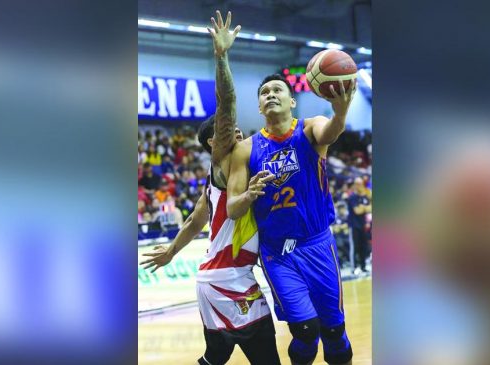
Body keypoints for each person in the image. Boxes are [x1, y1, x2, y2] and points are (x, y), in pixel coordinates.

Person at [140, 11, 280, 365]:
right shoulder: (223, 160)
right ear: (212, 144)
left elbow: (192, 224)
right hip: (228, 277)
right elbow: (228, 103)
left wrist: (171, 252)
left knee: (215, 356)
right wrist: (222, 57)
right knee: (266, 353)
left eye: (234, 128)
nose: (234, 131)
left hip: (214, 277)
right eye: (224, 130)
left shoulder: (215, 185)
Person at [227, 72, 357, 365]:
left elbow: (332, 132)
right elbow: (232, 208)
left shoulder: (310, 129)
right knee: (306, 330)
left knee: (334, 331)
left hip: (318, 244)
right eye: (264, 93)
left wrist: (341, 110)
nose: (270, 94)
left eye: (277, 90)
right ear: (260, 107)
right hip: (278, 253)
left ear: (292, 102)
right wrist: (248, 195)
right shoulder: (245, 149)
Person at [346, 177, 371, 274]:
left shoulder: (364, 197)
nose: (360, 186)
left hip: (363, 225)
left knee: (363, 246)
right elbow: (357, 211)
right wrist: (364, 208)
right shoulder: (352, 197)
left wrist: (363, 208)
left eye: (361, 184)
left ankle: (363, 266)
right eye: (358, 184)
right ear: (355, 185)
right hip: (353, 225)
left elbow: (370, 208)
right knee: (354, 247)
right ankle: (354, 268)